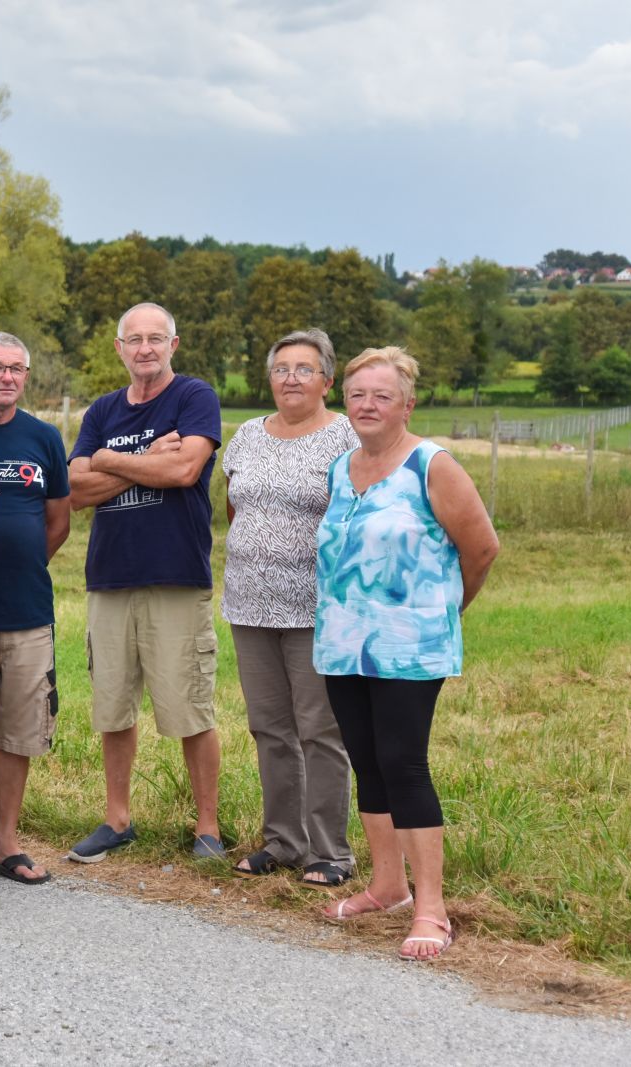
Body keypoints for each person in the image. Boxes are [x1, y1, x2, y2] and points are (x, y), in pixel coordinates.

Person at [314, 346, 498, 960]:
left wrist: (443, 611)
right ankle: (387, 886)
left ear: (407, 404)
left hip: (409, 647)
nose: (367, 405)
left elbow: (482, 549)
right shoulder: (342, 468)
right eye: (358, 394)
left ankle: (432, 909)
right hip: (343, 643)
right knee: (366, 760)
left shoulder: (431, 465)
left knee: (403, 762)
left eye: (382, 395)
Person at [66, 302, 224, 862]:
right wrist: (136, 458)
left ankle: (207, 827)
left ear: (173, 345)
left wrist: (106, 460)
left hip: (175, 576)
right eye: (134, 339)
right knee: (112, 707)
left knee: (189, 707)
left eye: (156, 338)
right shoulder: (103, 411)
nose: (145, 349)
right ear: (120, 348)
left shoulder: (193, 397)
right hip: (110, 579)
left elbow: (184, 471)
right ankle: (117, 819)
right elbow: (73, 490)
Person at [221, 329, 359, 886]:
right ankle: (283, 841)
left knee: (319, 730)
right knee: (269, 728)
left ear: (328, 380)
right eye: (282, 369)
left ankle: (330, 852)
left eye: (305, 369)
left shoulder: (346, 437)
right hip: (249, 605)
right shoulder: (248, 435)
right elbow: (236, 508)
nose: (292, 379)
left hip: (316, 608)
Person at [0, 331, 70, 885]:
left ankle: (6, 844)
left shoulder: (43, 437)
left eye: (17, 368)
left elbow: (58, 521)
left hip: (27, 613)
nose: (7, 376)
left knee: (17, 736)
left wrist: (20, 564)